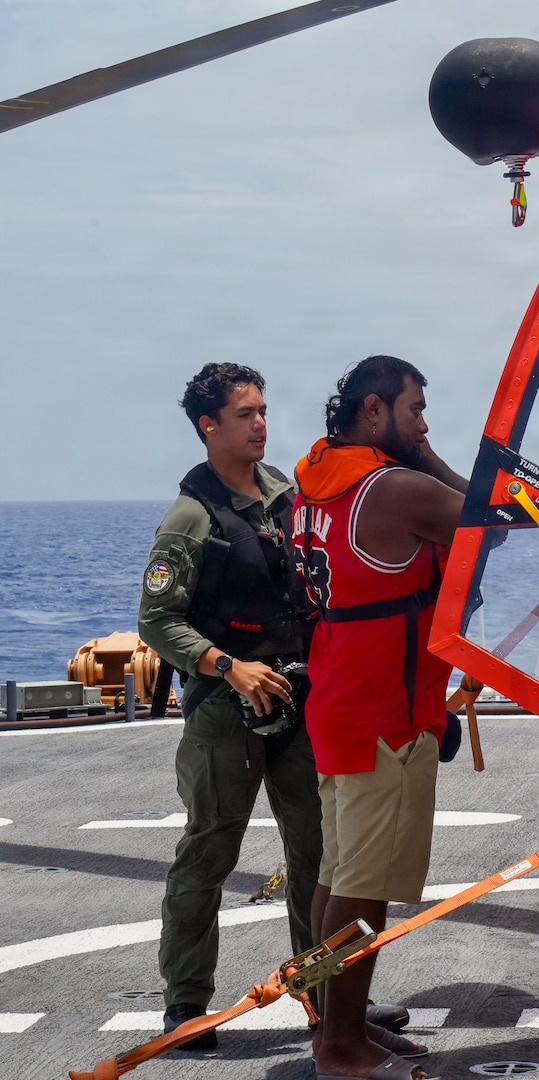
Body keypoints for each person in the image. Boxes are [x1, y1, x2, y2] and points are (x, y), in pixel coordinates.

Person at [139, 363, 404, 1050]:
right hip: (226, 714)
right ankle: (186, 1006)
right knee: (207, 854)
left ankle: (331, 1003)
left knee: (325, 859)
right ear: (209, 426)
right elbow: (157, 622)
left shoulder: (287, 494)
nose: (261, 424)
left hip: (302, 702)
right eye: (245, 414)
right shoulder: (190, 520)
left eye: (263, 411)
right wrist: (229, 667)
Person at [292, 355, 468, 1080]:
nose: (423, 424)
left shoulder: (312, 478)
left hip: (339, 701)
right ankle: (340, 1047)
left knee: (337, 878)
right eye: (414, 409)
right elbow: (491, 519)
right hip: (384, 715)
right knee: (362, 889)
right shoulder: (393, 488)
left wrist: (413, 444)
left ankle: (339, 1020)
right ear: (374, 409)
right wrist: (424, 454)